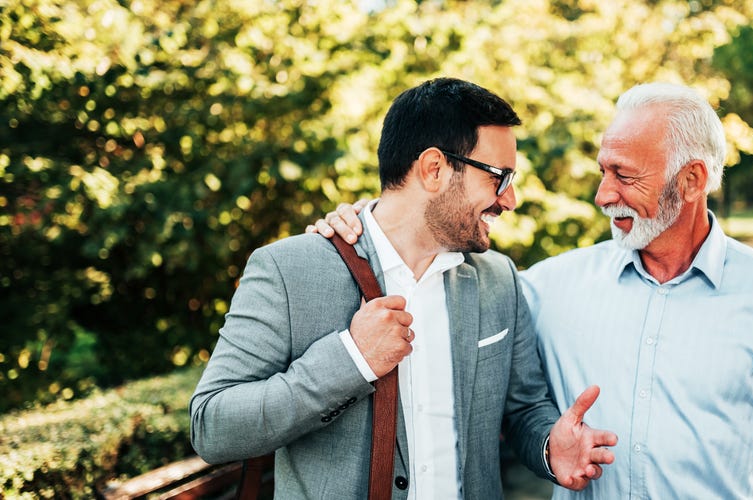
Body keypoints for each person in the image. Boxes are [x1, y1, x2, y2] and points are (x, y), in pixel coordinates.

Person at [312, 82, 753, 498]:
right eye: (604, 171)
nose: (603, 195)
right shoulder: (544, 288)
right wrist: (368, 223)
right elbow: (426, 268)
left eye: (624, 175)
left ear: (691, 180)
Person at [190, 77, 618, 499]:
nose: (510, 200)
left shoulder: (498, 278)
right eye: (499, 178)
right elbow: (212, 426)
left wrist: (549, 447)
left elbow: (524, 408)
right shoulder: (290, 271)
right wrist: (351, 359)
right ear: (434, 169)